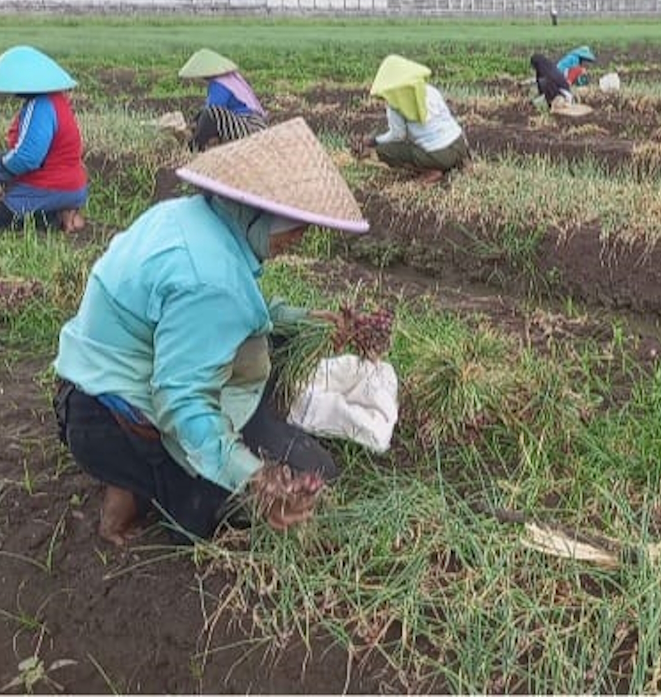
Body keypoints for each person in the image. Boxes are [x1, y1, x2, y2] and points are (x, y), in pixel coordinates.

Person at [52, 118, 370, 546]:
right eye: (296, 224)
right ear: (259, 211)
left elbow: (226, 317)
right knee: (273, 490)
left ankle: (136, 473)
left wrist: (305, 320)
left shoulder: (188, 217)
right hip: (115, 419)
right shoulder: (210, 278)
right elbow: (182, 402)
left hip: (84, 388)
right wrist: (254, 478)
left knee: (302, 458)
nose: (300, 238)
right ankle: (133, 485)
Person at [0, 45, 88, 233]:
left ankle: (53, 218)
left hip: (50, 185)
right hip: (73, 185)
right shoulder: (57, 101)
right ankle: (63, 212)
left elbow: (27, 158)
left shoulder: (39, 106)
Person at [360, 55, 468, 185]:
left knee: (386, 151)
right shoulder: (429, 90)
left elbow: (398, 136)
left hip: (439, 156)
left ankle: (430, 171)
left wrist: (374, 141)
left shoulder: (395, 105)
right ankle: (461, 162)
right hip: (460, 144)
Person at [178, 48, 268, 152]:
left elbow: (212, 112)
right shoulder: (229, 80)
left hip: (251, 127)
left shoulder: (220, 85)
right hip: (249, 123)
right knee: (206, 113)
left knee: (211, 113)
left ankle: (194, 147)